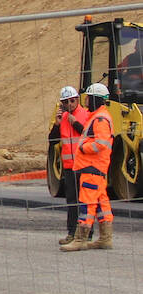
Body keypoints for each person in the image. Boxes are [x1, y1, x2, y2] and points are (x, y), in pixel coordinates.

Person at [65, 82, 115, 251]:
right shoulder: (97, 116)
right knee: (101, 203)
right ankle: (105, 238)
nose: (85, 101)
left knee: (87, 203)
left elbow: (101, 143)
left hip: (92, 168)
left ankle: (80, 239)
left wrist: (83, 148)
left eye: (88, 98)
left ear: (95, 99)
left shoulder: (100, 119)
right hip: (96, 168)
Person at [55, 86, 88, 246]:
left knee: (85, 200)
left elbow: (89, 135)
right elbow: (53, 140)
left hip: (84, 165)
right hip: (69, 166)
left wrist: (75, 123)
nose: (69, 104)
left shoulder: (86, 115)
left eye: (72, 100)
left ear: (77, 100)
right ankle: (72, 233)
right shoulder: (63, 117)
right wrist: (57, 125)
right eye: (66, 102)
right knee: (72, 200)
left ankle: (86, 233)